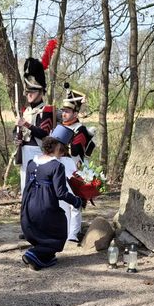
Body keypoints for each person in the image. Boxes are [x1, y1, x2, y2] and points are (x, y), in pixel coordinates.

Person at [21, 125, 83, 270]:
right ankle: (34, 253)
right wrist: (77, 201)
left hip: (29, 206)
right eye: (63, 150)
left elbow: (27, 187)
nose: (63, 154)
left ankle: (44, 257)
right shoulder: (56, 166)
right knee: (59, 225)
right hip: (45, 206)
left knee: (43, 228)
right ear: (58, 148)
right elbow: (60, 193)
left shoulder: (32, 162)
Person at [15, 47, 56, 194]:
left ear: (41, 91)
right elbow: (17, 131)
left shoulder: (47, 110)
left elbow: (44, 134)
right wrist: (17, 137)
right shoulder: (25, 111)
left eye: (33, 91)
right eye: (28, 91)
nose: (29, 94)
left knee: (38, 192)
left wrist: (26, 124)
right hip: (24, 153)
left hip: (39, 153)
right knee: (25, 190)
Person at [59, 85, 95, 242]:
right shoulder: (60, 127)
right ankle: (64, 232)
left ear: (75, 113)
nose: (64, 114)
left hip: (74, 167)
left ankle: (73, 234)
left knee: (74, 201)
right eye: (63, 111)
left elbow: (75, 151)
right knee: (61, 201)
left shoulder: (80, 129)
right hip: (60, 166)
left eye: (67, 111)